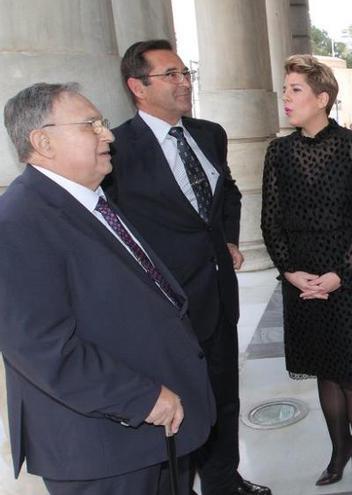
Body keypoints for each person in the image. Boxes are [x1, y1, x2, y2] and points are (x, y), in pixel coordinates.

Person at [0, 82, 215, 494]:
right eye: (91, 125)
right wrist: (143, 397)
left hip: (153, 434)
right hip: (105, 446)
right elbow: (42, 348)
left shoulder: (89, 198)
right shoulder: (18, 222)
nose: (109, 134)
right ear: (43, 141)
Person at [103, 40, 271, 495]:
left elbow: (227, 194)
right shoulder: (116, 149)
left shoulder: (209, 133)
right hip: (163, 308)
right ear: (137, 86)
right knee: (175, 408)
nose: (184, 83)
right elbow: (109, 228)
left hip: (217, 294)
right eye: (170, 75)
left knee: (224, 397)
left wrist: (230, 237)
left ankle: (224, 482)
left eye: (185, 73)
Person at [261, 54, 352, 495]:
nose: (286, 98)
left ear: (322, 98)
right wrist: (291, 273)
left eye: (295, 90)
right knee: (325, 370)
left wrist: (339, 274)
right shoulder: (278, 152)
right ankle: (339, 452)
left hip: (350, 279)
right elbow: (270, 222)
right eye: (285, 89)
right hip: (301, 278)